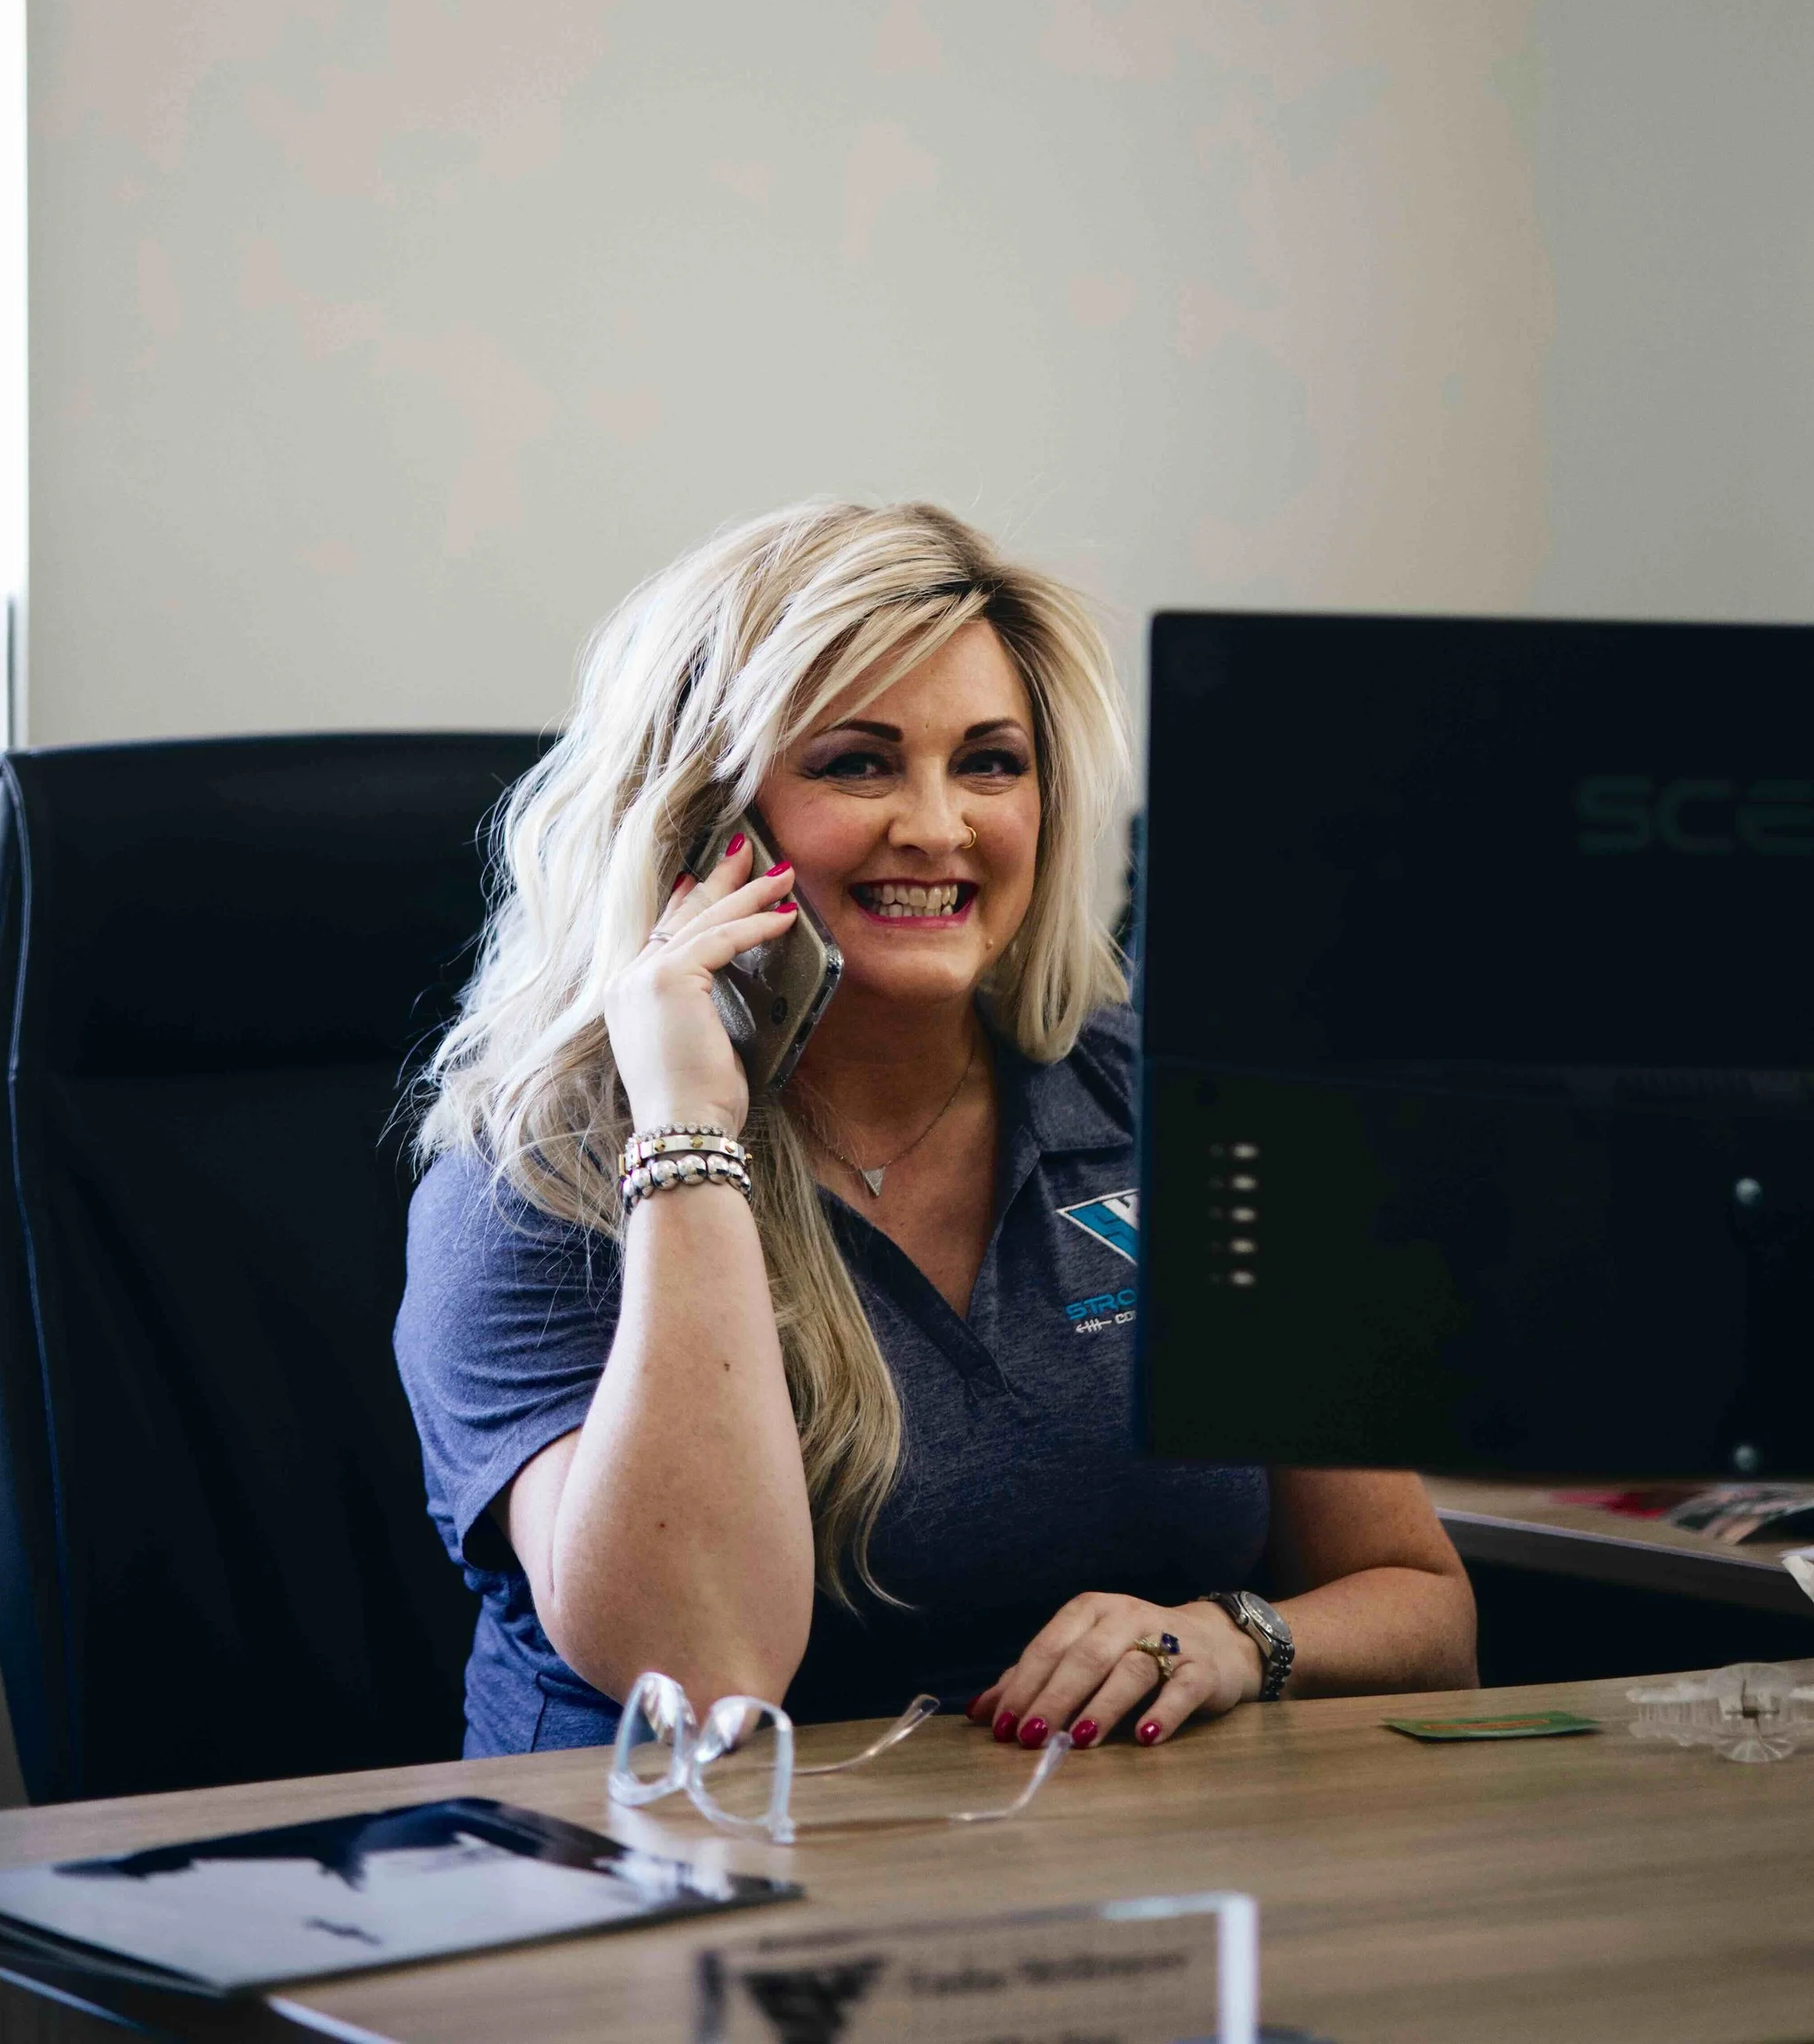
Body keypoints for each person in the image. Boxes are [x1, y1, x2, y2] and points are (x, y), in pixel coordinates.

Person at [396, 499, 1476, 1758]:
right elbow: (704, 1672)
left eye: (990, 761)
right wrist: (690, 1128)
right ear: (703, 819)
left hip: (1110, 1903)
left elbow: (1425, 1610)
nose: (939, 825)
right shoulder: (540, 1181)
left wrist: (1235, 1635)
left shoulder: (1180, 1105)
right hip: (667, 1904)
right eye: (857, 762)